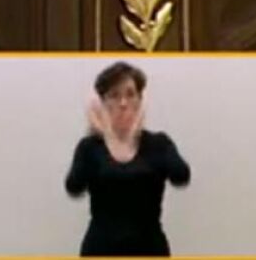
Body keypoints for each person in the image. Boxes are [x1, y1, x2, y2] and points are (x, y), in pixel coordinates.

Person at [65, 62, 191, 257]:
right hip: (100, 250)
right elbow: (74, 187)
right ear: (103, 102)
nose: (123, 103)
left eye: (130, 94)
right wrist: (107, 133)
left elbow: (181, 176)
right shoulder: (90, 147)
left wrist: (134, 133)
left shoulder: (158, 143)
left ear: (140, 100)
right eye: (114, 95)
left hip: (150, 249)